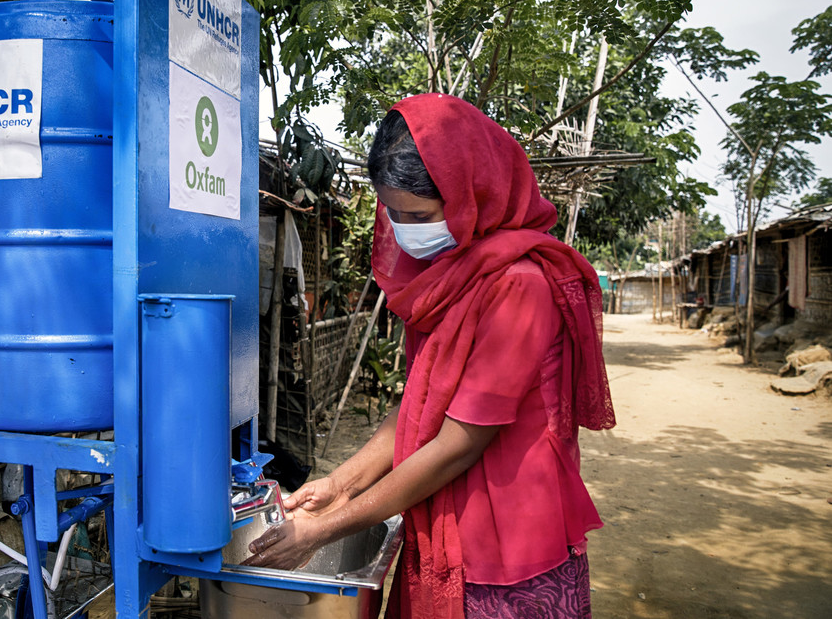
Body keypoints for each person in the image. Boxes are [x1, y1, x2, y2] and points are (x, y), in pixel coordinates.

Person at [245, 93, 616, 618]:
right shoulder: (448, 278)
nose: (404, 229)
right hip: (445, 521)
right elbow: (418, 406)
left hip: (505, 545)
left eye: (417, 215)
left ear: (470, 196)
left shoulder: (519, 286)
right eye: (393, 214)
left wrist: (326, 527)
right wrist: (339, 484)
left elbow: (459, 442)